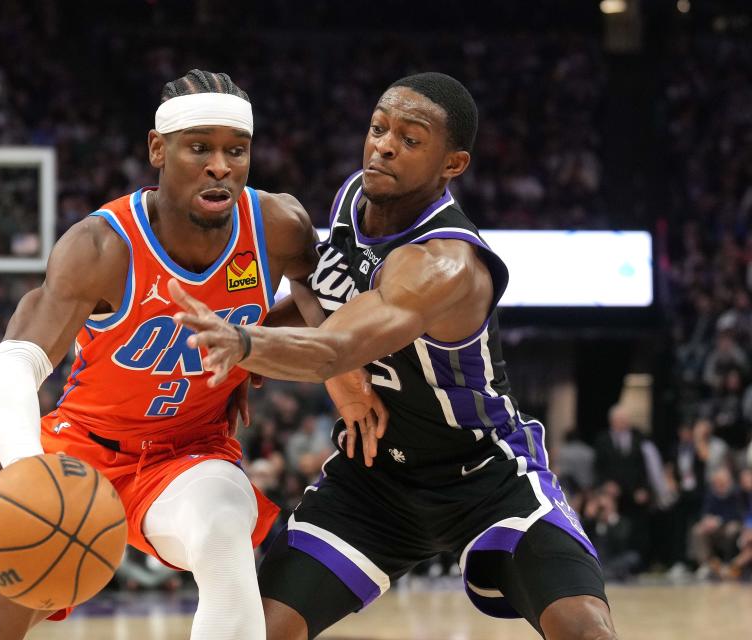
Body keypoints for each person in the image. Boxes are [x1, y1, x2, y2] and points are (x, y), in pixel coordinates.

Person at [171, 72, 618, 639]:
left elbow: (334, 347)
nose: (383, 144)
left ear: (452, 164)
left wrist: (244, 345)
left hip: (484, 474)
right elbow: (320, 294)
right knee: (257, 630)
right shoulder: (356, 198)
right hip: (373, 481)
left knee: (584, 630)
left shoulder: (445, 263)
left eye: (410, 139)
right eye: (379, 127)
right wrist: (284, 348)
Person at [0, 69, 352, 640]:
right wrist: (29, 474)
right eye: (199, 148)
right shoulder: (101, 245)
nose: (220, 166)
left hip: (190, 454)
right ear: (158, 149)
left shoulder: (279, 226)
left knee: (224, 537)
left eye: (237, 150)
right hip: (81, 452)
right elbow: (13, 366)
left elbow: (330, 320)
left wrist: (259, 351)